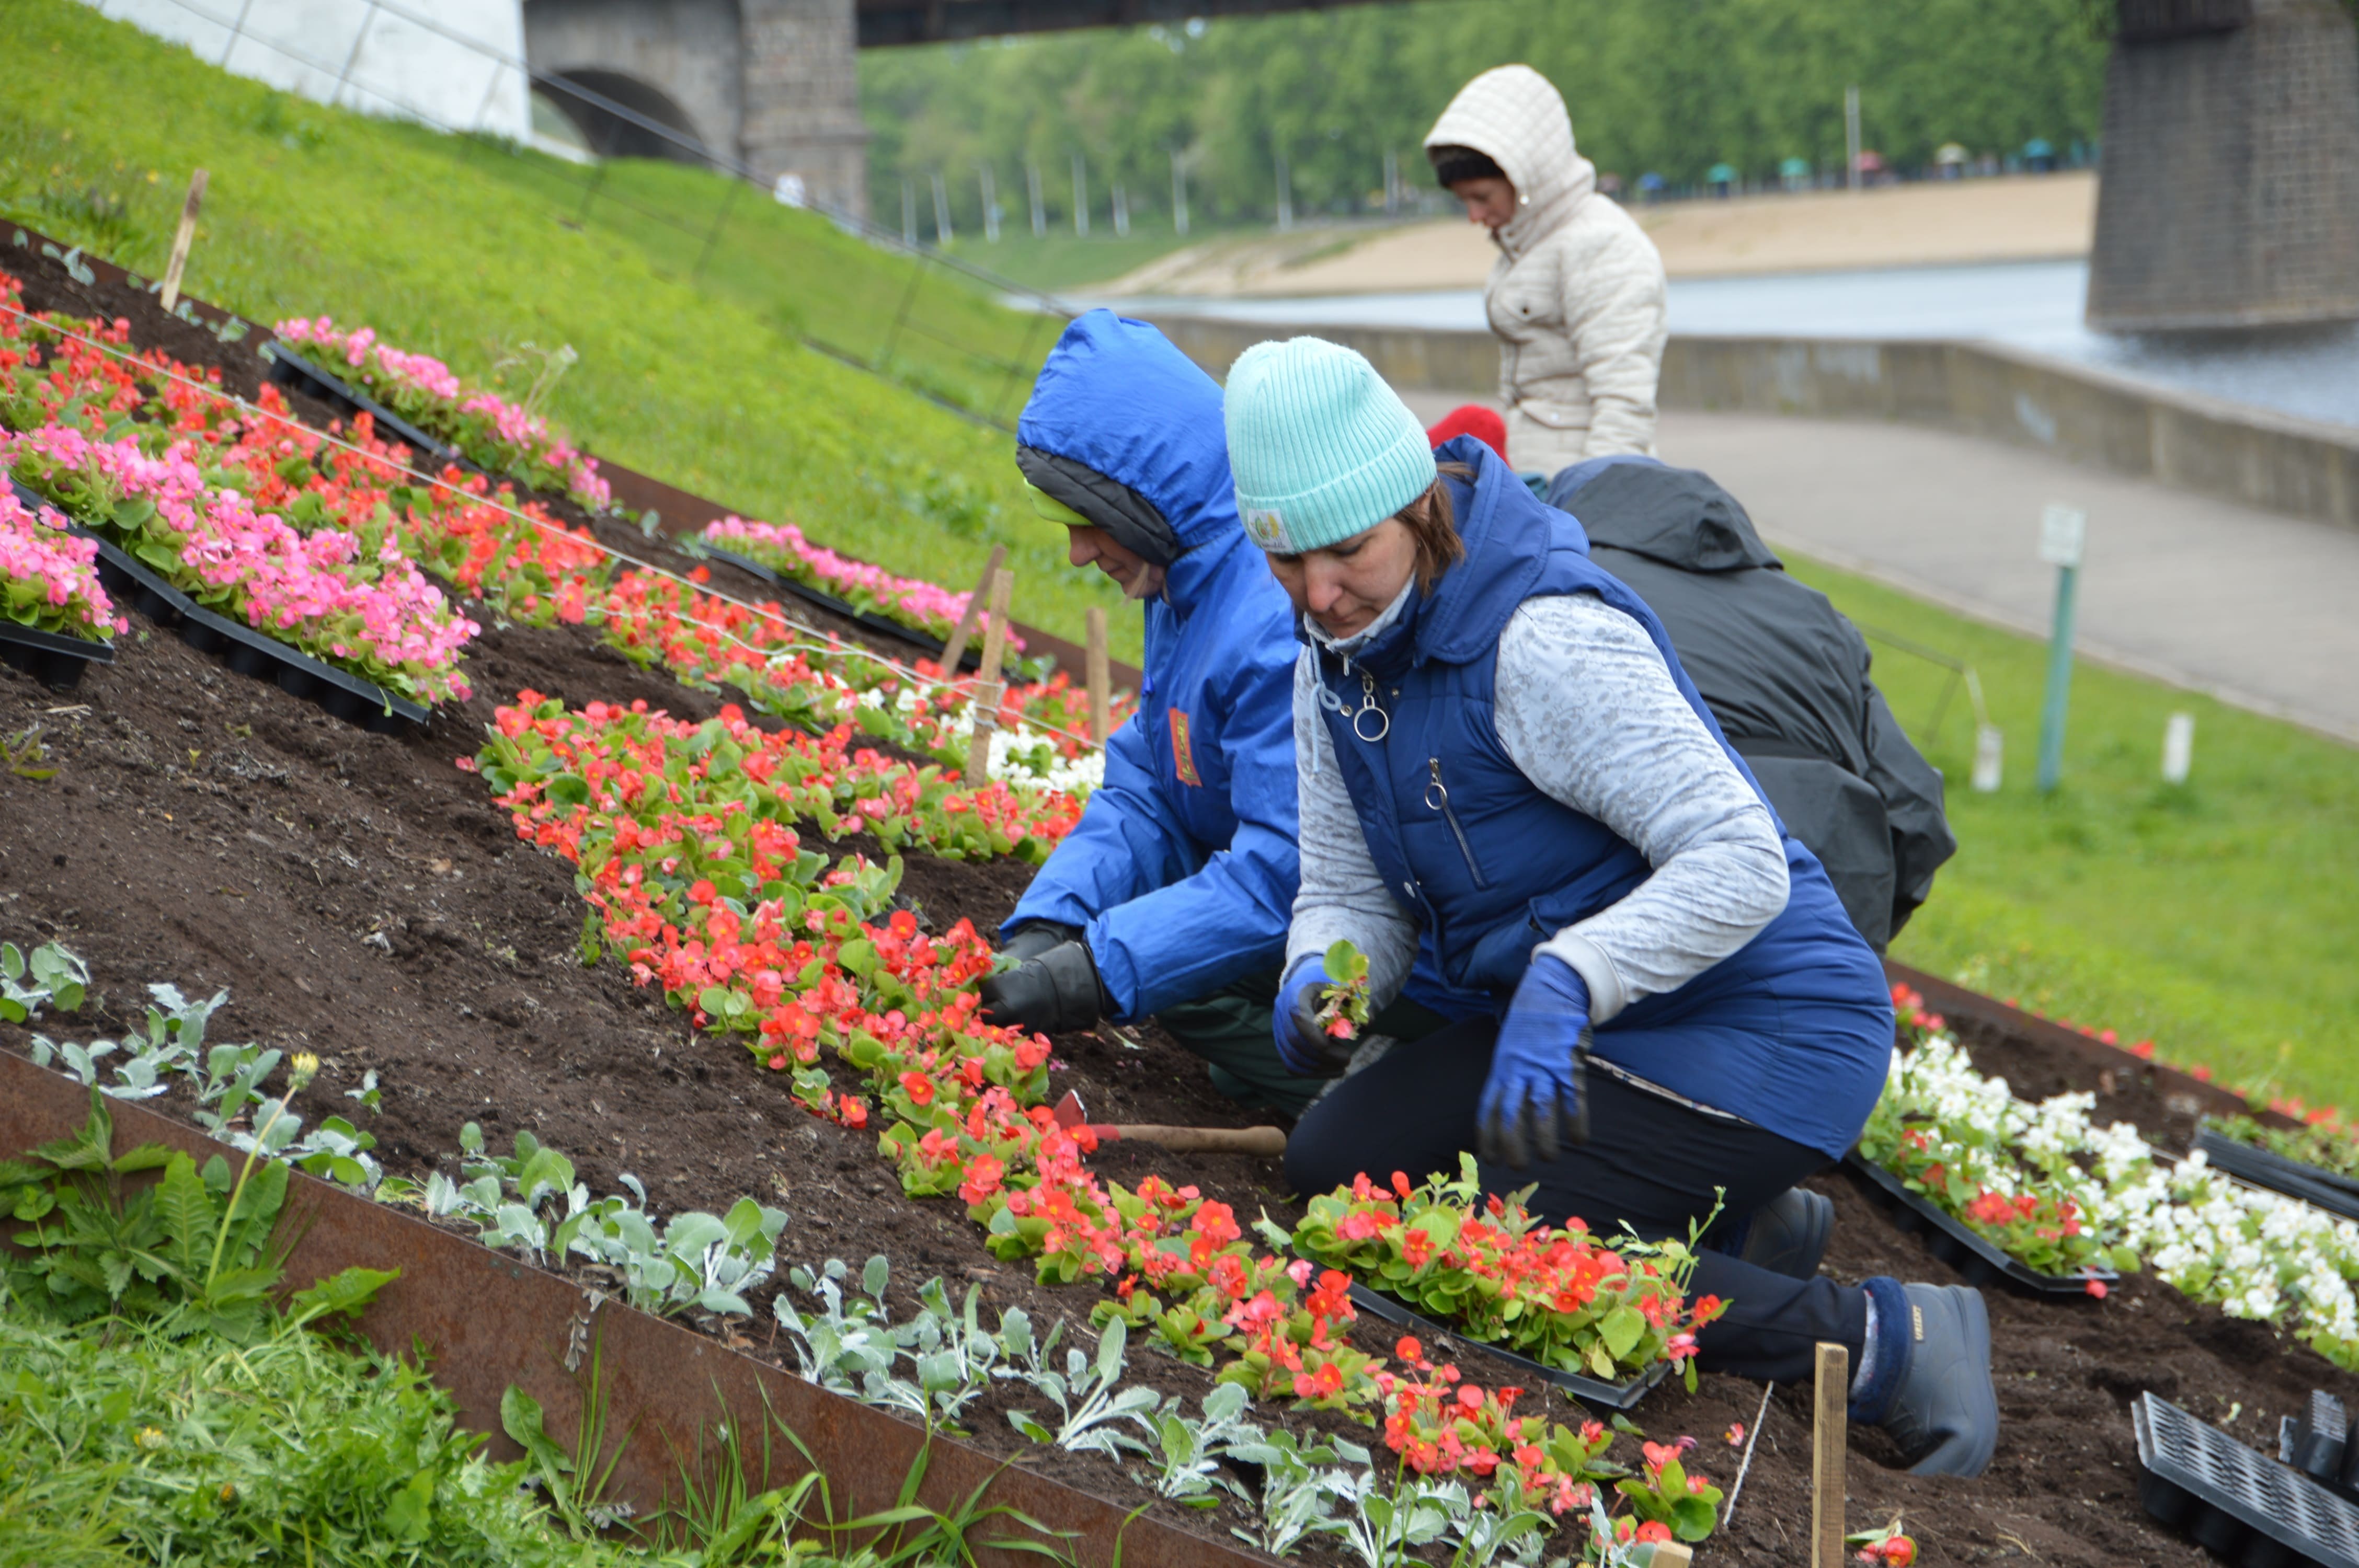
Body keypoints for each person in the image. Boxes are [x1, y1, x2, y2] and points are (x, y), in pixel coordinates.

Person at [1223, 336, 2000, 1478]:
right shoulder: (1332, 661)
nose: (1319, 595)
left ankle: (1886, 1336)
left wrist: (1574, 974)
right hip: (1587, 1017)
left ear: (1418, 508)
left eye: (1347, 554)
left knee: (1498, 1234)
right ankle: (1741, 1226)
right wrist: (1322, 976)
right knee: (1334, 1165)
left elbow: (1741, 860)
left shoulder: (1545, 641)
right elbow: (1348, 889)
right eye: (1288, 566)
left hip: (1769, 1018)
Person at [970, 310, 1312, 1115]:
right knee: (1140, 953)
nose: (1078, 552)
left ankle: (1370, 1077)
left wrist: (1092, 975)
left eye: (1086, 519)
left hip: (1361, 937)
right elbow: (1151, 785)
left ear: (1145, 498)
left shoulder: (1267, 620)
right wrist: (1052, 923)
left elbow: (1282, 872)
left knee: (1154, 969)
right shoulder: (1187, 578)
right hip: (1276, 906)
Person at [1545, 456, 1957, 950]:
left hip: (1640, 902)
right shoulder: (1819, 618)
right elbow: (1916, 811)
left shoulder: (1572, 586)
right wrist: (1860, 928)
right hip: (1829, 888)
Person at [1425, 65, 1666, 473]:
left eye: (1482, 197)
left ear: (1526, 178)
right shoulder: (1527, 240)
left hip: (1580, 488)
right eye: (1463, 201)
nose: (1474, 215)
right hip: (1545, 481)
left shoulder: (1601, 245)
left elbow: (1625, 405)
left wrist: (1593, 510)